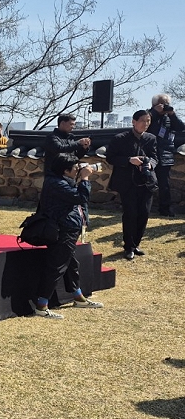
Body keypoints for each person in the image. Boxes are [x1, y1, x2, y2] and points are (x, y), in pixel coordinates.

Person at [29, 153, 103, 319]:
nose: (78, 169)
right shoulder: (57, 184)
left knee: (70, 264)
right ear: (65, 170)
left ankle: (78, 297)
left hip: (67, 227)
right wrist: (84, 179)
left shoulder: (60, 180)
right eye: (75, 167)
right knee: (57, 266)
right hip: (63, 229)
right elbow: (81, 197)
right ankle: (41, 306)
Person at [106, 109, 158, 260]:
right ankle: (128, 246)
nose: (146, 124)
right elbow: (110, 157)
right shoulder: (120, 138)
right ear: (134, 122)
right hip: (127, 183)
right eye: (143, 121)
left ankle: (136, 244)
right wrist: (129, 160)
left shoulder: (151, 138)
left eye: (148, 121)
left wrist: (150, 164)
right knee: (130, 214)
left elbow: (155, 157)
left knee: (144, 213)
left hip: (146, 181)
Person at [146, 93, 184, 216]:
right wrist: (155, 112)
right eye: (162, 104)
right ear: (154, 105)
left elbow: (181, 127)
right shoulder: (148, 115)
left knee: (164, 185)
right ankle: (144, 207)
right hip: (150, 154)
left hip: (165, 155)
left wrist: (172, 114)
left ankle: (165, 209)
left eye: (167, 104)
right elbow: (144, 127)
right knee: (147, 182)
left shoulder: (169, 118)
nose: (165, 106)